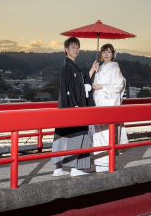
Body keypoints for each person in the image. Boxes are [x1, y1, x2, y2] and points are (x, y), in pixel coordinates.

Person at [52, 36, 94, 176]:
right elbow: (68, 88)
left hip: (66, 106)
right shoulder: (67, 66)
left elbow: (81, 82)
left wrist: (92, 70)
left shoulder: (72, 66)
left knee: (63, 135)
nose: (76, 49)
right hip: (72, 106)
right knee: (79, 134)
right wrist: (75, 105)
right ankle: (76, 168)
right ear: (66, 49)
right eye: (73, 47)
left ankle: (58, 169)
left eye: (77, 47)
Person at [88, 43, 129, 172]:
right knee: (97, 134)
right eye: (104, 52)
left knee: (106, 134)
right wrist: (93, 70)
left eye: (109, 52)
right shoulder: (99, 68)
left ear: (113, 54)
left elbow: (118, 86)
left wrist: (102, 86)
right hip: (98, 103)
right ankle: (99, 162)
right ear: (101, 54)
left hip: (108, 104)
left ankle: (106, 163)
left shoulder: (115, 68)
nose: (106, 54)